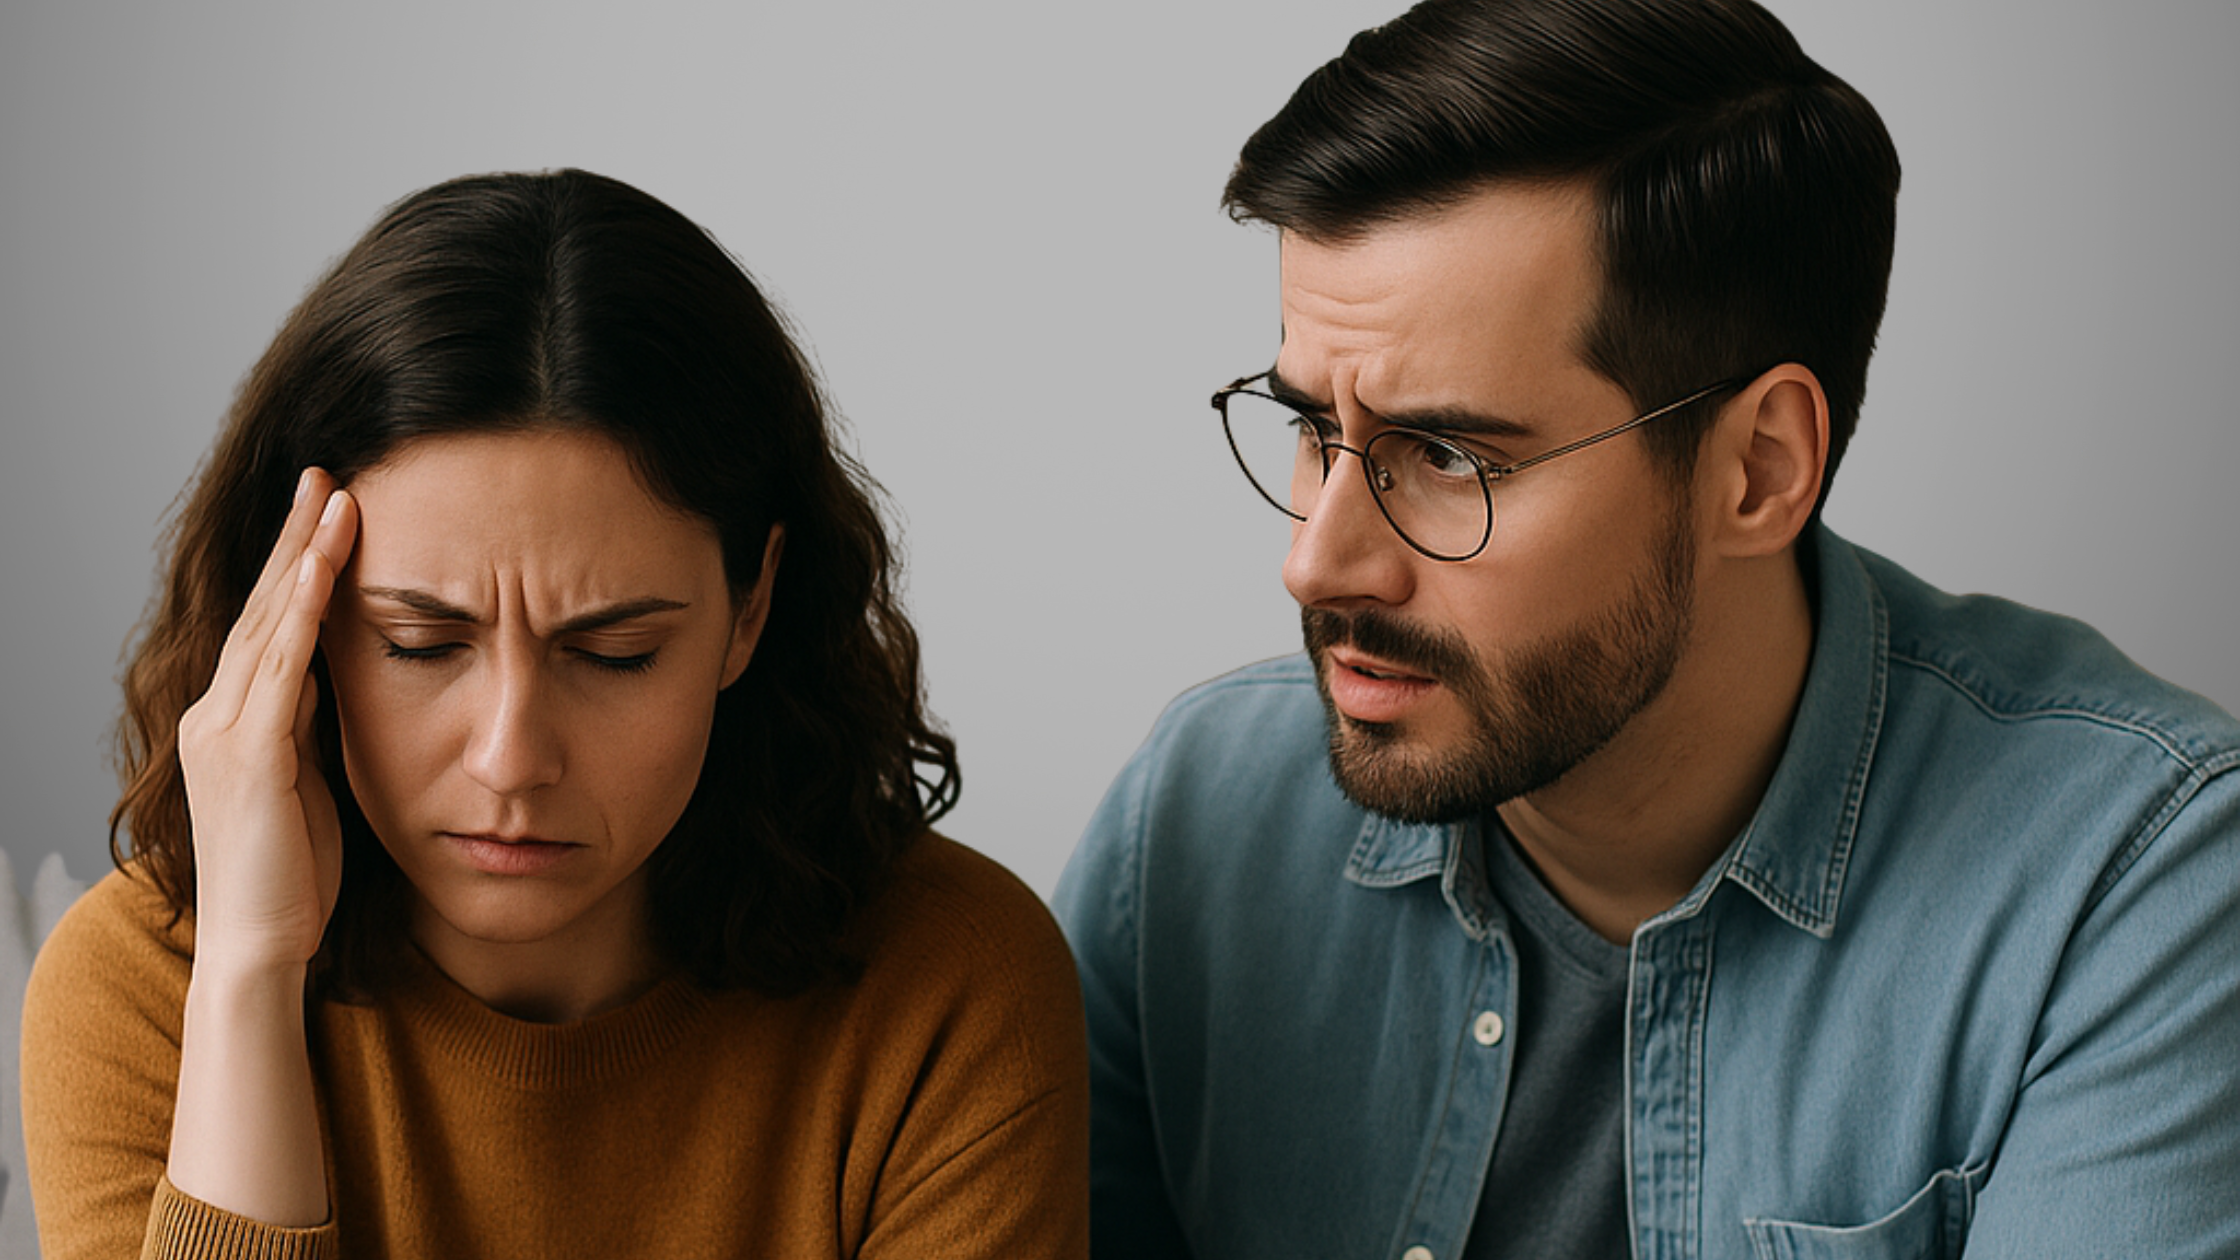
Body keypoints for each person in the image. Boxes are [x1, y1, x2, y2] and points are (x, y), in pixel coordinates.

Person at [1052, 1, 2240, 1257]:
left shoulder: (2128, 886)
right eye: (1310, 429)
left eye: (1448, 455)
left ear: (1757, 470)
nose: (1315, 562)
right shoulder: (1196, 820)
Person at [22, 169, 1088, 1258]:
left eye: (613, 654)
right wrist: (249, 973)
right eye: (420, 645)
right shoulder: (142, 989)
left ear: (749, 607)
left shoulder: (950, 988)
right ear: (294, 629)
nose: (510, 759)